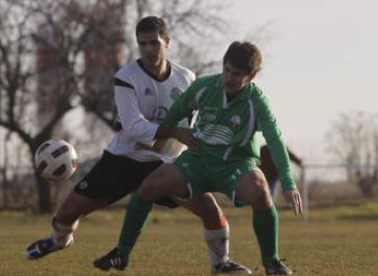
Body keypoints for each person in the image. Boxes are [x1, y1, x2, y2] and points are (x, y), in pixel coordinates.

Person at [25, 16, 250, 275]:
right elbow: (133, 127)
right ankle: (58, 241)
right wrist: (175, 131)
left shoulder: (186, 77)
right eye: (142, 44)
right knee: (65, 216)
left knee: (211, 211)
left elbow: (198, 119)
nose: (148, 50)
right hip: (124, 158)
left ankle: (220, 264)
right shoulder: (126, 77)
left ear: (167, 42)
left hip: (168, 163)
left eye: (154, 43)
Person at [100, 41, 303, 275]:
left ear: (252, 75)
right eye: (226, 70)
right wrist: (160, 137)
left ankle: (272, 262)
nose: (228, 77)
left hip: (235, 164)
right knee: (148, 187)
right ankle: (121, 253)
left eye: (236, 74)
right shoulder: (204, 87)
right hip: (197, 159)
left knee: (260, 192)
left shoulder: (257, 103)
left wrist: (288, 183)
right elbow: (177, 111)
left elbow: (276, 142)